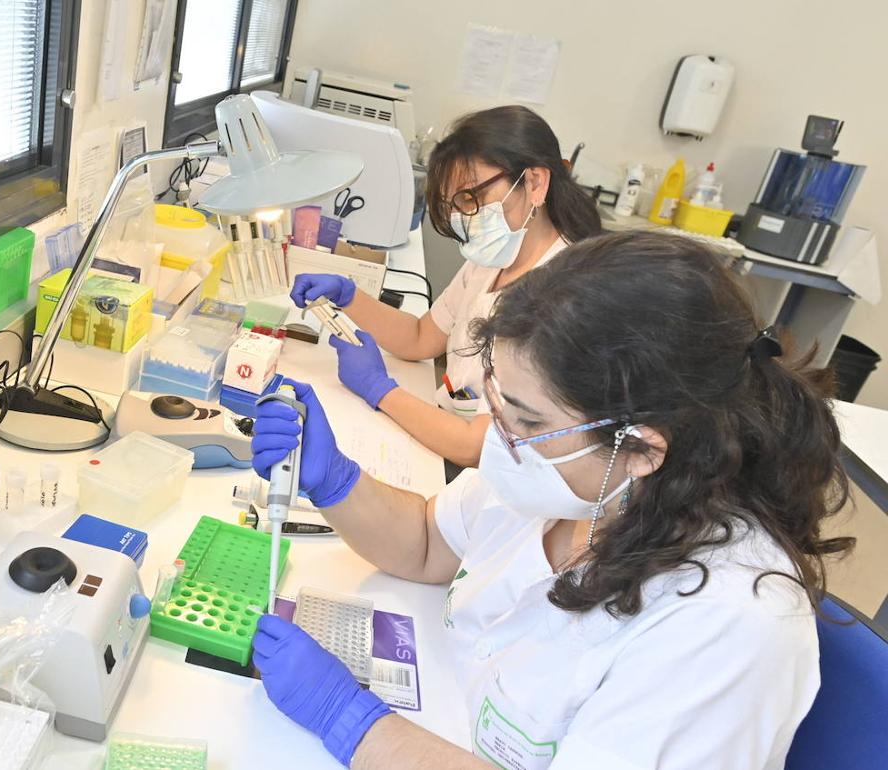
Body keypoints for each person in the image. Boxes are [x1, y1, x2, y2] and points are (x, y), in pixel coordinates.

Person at [251, 231, 853, 769]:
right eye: (500, 404)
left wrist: (352, 724)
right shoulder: (579, 473)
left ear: (642, 448)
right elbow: (430, 544)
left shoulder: (731, 627)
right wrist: (333, 481)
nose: (498, 434)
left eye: (526, 419)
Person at [290, 105, 601, 468]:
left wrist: (380, 389)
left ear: (534, 183)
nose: (467, 217)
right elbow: (422, 337)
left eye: (473, 198)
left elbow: (477, 446)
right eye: (457, 205)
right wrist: (349, 297)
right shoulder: (493, 260)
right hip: (444, 430)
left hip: (481, 474)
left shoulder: (562, 299)